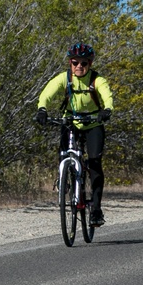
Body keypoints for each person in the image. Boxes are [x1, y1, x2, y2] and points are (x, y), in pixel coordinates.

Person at [35, 43, 114, 226]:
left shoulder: (97, 79)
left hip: (93, 123)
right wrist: (42, 109)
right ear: (70, 63)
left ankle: (96, 209)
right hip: (70, 122)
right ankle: (64, 179)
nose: (79, 66)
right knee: (63, 152)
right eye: (75, 62)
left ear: (90, 63)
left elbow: (107, 95)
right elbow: (47, 92)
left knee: (94, 162)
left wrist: (108, 109)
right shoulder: (65, 78)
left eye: (84, 63)